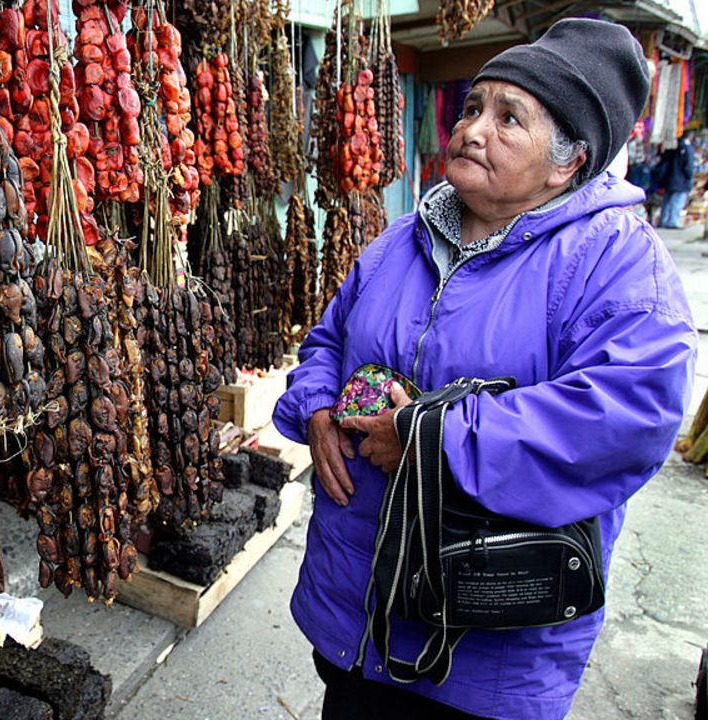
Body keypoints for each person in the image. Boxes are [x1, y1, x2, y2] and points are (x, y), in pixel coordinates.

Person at [272, 18, 698, 720]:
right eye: (473, 107)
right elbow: (327, 338)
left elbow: (624, 420)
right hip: (355, 611)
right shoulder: (399, 241)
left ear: (568, 161)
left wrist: (426, 438)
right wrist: (317, 405)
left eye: (509, 119)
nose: (472, 130)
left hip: (483, 653)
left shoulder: (615, 262)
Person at [654, 131, 697, 228]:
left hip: (669, 178)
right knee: (677, 201)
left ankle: (663, 220)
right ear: (690, 137)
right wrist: (690, 178)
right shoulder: (687, 149)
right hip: (681, 180)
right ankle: (673, 222)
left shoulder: (673, 147)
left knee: (667, 201)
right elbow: (688, 167)